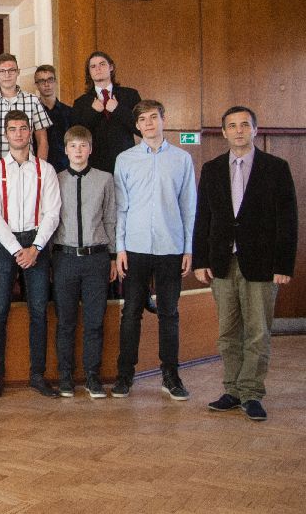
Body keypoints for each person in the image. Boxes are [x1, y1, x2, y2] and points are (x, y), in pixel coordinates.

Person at [193, 106, 297, 422]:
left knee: (257, 332)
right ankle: (233, 391)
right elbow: (203, 218)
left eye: (244, 125)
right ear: (224, 132)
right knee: (227, 333)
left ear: (254, 129)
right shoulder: (212, 169)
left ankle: (251, 393)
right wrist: (200, 260)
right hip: (222, 263)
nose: (238, 130)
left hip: (263, 264)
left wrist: (284, 265)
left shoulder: (275, 168)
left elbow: (288, 220)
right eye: (232, 125)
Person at [112, 100, 196, 400]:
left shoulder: (182, 159)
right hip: (135, 248)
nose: (148, 123)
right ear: (137, 126)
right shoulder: (125, 159)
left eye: (153, 117)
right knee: (131, 313)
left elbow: (189, 207)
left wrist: (188, 249)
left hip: (170, 247)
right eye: (143, 120)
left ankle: (171, 376)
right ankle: (125, 375)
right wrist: (120, 248)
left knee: (169, 314)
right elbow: (120, 208)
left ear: (163, 120)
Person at [0, 110, 61, 399]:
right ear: (5, 134)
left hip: (36, 242)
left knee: (38, 310)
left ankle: (37, 375)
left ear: (31, 133)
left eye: (23, 128)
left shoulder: (45, 169)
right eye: (13, 129)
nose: (18, 133)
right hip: (7, 243)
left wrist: (35, 248)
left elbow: (52, 213)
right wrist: (18, 250)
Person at [51, 125, 116, 399]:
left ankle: (92, 376)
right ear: (66, 150)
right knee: (65, 321)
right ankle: (65, 376)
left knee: (94, 321)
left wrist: (113, 256)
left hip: (96, 258)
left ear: (90, 149)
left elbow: (110, 218)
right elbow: (50, 220)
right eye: (73, 146)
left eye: (83, 145)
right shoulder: (55, 179)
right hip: (64, 258)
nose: (78, 151)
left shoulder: (105, 179)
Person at [0, 53, 51, 168]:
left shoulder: (33, 101)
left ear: (18, 72)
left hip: (26, 168)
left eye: (11, 70)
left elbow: (42, 140)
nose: (7, 75)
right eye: (2, 71)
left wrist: (39, 170)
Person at [71, 51, 141, 174]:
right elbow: (76, 136)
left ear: (111, 67)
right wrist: (93, 112)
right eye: (93, 66)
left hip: (126, 164)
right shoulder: (80, 102)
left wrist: (117, 109)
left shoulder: (130, 95)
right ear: (89, 72)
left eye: (102, 64)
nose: (98, 69)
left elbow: (141, 129)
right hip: (95, 167)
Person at [33, 64, 73, 173]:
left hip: (65, 168)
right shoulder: (32, 113)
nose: (46, 84)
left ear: (55, 82)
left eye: (50, 79)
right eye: (42, 81)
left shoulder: (69, 112)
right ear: (36, 85)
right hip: (40, 168)